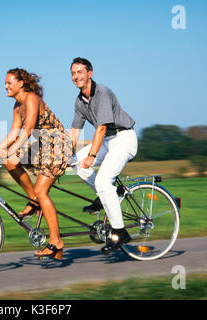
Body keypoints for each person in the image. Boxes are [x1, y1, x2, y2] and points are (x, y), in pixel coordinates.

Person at [0, 68, 73, 260]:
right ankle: (34, 200)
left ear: (20, 84)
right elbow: (14, 133)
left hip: (57, 145)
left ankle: (57, 242)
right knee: (10, 162)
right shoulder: (17, 106)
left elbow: (28, 129)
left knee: (41, 191)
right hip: (42, 144)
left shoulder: (31, 98)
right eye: (5, 83)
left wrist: (13, 150)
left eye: (9, 83)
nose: (5, 86)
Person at [68, 57, 138, 255]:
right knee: (75, 163)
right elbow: (74, 132)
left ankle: (119, 232)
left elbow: (101, 127)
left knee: (102, 179)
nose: (76, 76)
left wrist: (91, 155)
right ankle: (106, 195)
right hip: (108, 141)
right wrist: (63, 155)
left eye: (80, 72)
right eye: (73, 73)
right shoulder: (79, 101)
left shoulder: (103, 92)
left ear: (90, 73)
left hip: (124, 139)